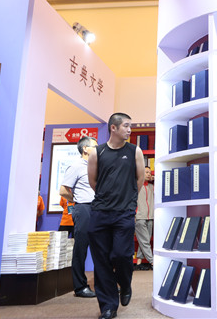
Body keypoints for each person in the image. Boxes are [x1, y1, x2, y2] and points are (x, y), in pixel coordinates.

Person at [88, 113, 145, 319]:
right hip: (100, 212)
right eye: (126, 126)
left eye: (130, 126)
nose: (130, 130)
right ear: (113, 128)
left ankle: (125, 284)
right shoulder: (97, 152)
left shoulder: (134, 151)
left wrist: (128, 200)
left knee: (121, 255)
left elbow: (140, 179)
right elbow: (93, 181)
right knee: (101, 261)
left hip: (124, 212)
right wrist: (107, 198)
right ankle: (108, 307)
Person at [59, 136, 98, 299]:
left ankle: (103, 285)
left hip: (98, 209)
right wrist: (78, 200)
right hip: (83, 208)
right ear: (85, 149)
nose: (98, 149)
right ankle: (80, 287)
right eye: (95, 146)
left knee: (101, 248)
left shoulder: (96, 166)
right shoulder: (76, 166)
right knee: (81, 249)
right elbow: (63, 191)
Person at [134, 166, 154, 271]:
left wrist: (154, 179)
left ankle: (138, 263)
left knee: (144, 240)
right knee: (145, 241)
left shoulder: (151, 186)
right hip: (140, 217)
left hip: (150, 217)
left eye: (150, 172)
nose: (149, 174)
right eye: (146, 172)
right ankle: (153, 262)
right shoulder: (136, 186)